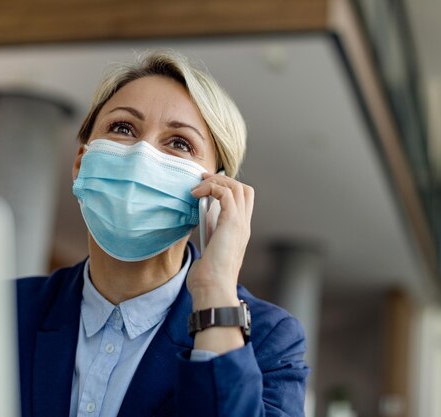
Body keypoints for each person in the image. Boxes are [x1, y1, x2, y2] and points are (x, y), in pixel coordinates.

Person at [16, 51, 309, 417]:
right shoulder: (8, 311)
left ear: (216, 191)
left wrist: (215, 294)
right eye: (123, 128)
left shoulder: (270, 341)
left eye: (179, 143)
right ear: (81, 162)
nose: (142, 153)